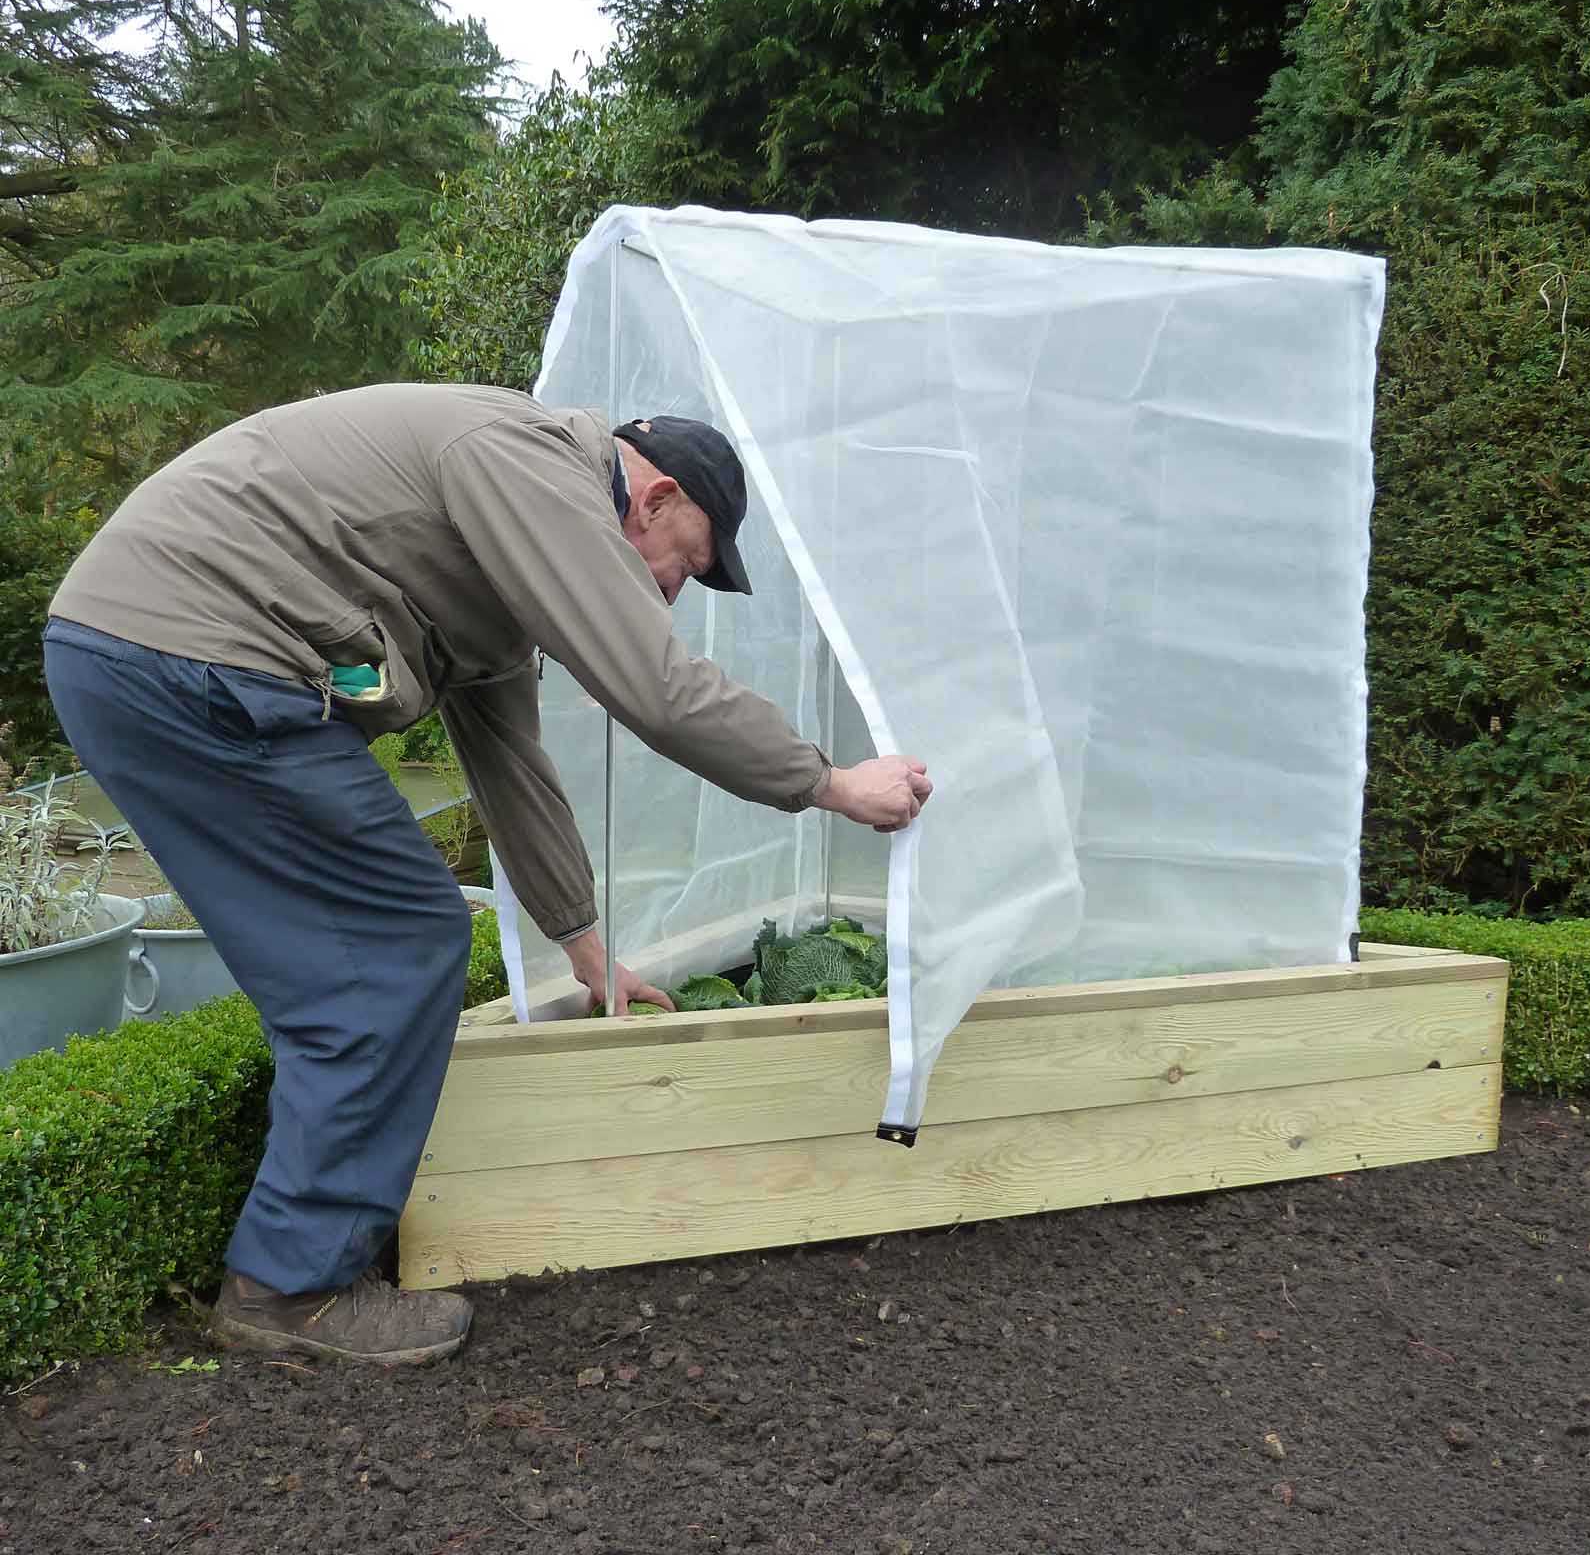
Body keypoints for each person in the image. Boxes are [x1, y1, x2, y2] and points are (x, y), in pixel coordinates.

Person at [42, 382, 932, 1367]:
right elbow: (651, 684)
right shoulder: (529, 459)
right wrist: (832, 781)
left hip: (135, 650)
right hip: (195, 652)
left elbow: (509, 757)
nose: (667, 596)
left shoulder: (504, 554)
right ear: (656, 497)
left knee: (334, 971)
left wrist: (583, 945)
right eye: (682, 570)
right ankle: (294, 1283)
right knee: (397, 943)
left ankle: (307, 1243)